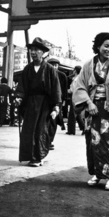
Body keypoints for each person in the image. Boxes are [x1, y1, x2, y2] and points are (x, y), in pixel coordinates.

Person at [72, 32, 109, 191]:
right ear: (98, 46)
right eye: (106, 46)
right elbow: (80, 86)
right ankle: (97, 173)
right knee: (92, 141)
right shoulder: (88, 64)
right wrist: (89, 103)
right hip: (92, 107)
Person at [15, 37, 61, 167]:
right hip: (30, 104)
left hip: (44, 105)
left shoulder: (50, 69)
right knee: (29, 131)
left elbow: (56, 89)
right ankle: (30, 156)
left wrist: (56, 106)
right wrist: (19, 97)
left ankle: (38, 157)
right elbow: (22, 86)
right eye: (31, 50)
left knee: (41, 130)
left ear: (43, 52)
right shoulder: (27, 69)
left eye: (36, 50)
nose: (33, 52)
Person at [47, 57, 68, 148]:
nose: (54, 67)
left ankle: (50, 141)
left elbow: (65, 89)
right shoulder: (44, 74)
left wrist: (63, 102)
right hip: (46, 101)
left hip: (58, 101)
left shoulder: (62, 75)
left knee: (53, 121)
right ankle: (44, 140)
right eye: (52, 65)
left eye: (56, 65)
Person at [66, 65, 85, 135]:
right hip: (78, 97)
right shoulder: (78, 78)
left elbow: (73, 89)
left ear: (76, 71)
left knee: (72, 114)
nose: (73, 71)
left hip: (74, 96)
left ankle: (71, 130)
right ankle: (84, 128)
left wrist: (68, 91)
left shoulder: (76, 79)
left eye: (74, 70)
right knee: (77, 114)